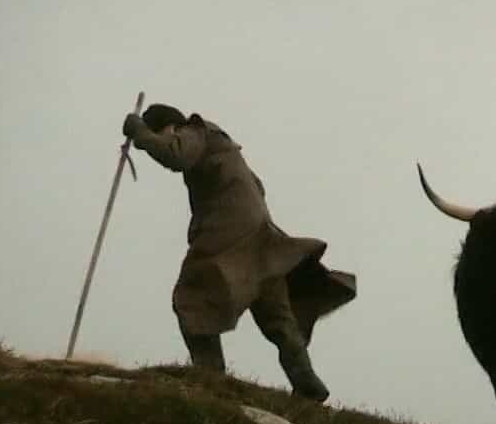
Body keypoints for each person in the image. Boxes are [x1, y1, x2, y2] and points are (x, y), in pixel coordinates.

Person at [121, 103, 357, 402]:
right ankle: (308, 385)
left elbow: (176, 155)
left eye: (162, 134)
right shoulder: (226, 147)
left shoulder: (195, 131)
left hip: (231, 233)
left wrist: (140, 133)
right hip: (261, 237)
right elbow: (259, 186)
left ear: (169, 128)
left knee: (192, 298)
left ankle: (211, 381)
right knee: (276, 313)